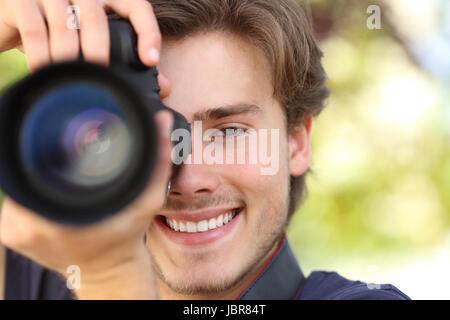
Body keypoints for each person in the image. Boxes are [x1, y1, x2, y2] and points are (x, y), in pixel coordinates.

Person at [0, 0, 409, 300]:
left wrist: (111, 276)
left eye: (229, 132)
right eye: (151, 135)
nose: (190, 179)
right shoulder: (37, 270)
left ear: (296, 142)